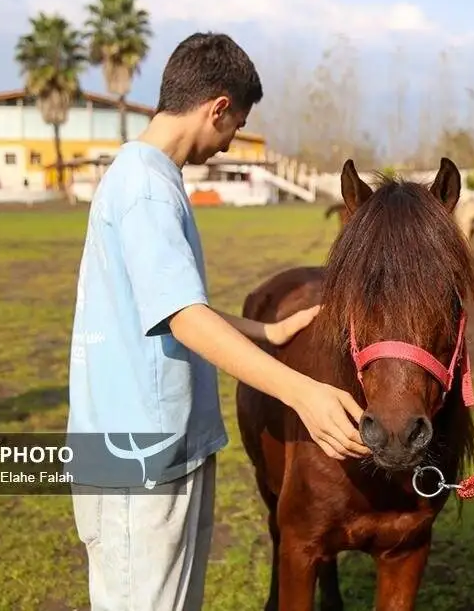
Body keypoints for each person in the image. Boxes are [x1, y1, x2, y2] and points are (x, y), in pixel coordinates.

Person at [66, 32, 369, 611]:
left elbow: (165, 303)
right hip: (139, 456)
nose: (229, 145)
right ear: (218, 108)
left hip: (154, 447)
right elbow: (183, 318)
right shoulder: (148, 190)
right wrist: (304, 393)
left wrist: (269, 332)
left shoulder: (144, 178)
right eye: (234, 128)